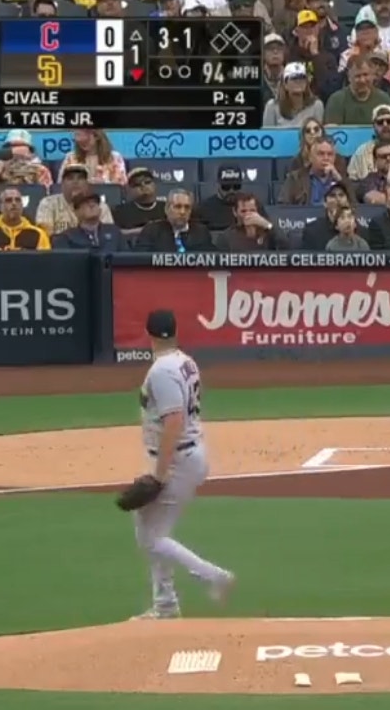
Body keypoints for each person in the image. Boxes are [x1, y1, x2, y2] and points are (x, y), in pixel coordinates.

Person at [129, 308, 236, 620]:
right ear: (175, 332)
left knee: (151, 537)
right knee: (149, 529)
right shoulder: (185, 361)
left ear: (148, 334)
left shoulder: (162, 370)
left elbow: (173, 420)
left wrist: (160, 475)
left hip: (177, 459)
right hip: (186, 454)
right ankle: (165, 604)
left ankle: (214, 576)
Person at [36, 163, 115, 235]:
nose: (75, 182)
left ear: (88, 184)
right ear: (62, 184)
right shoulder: (48, 204)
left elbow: (108, 236)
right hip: (60, 249)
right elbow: (45, 235)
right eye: (70, 178)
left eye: (80, 178)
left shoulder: (100, 206)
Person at [0, 187, 51, 251]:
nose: (14, 203)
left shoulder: (38, 234)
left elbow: (45, 263)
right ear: (0, 207)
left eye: (18, 200)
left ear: (22, 206)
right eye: (8, 200)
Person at [132, 189, 216, 252]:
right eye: (177, 207)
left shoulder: (201, 232)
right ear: (167, 209)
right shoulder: (152, 231)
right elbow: (140, 260)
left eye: (187, 207)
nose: (182, 212)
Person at [52, 191, 127, 251]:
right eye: (85, 203)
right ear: (76, 212)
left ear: (100, 209)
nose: (92, 205)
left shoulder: (115, 232)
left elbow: (127, 260)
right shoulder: (66, 237)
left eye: (95, 202)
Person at [280, 136, 345, 205]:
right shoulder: (295, 179)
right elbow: (282, 208)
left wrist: (339, 180)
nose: (326, 158)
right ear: (310, 157)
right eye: (321, 154)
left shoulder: (340, 178)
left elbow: (353, 205)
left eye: (330, 154)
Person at [262, 62, 325, 127]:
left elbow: (319, 134)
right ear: (285, 84)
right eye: (294, 78)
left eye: (302, 77)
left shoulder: (316, 105)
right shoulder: (272, 107)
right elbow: (267, 134)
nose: (298, 81)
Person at [216, 192, 283, 251]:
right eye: (243, 211)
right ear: (235, 212)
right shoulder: (226, 238)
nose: (248, 215)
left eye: (252, 210)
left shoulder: (268, 233)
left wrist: (267, 225)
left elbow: (286, 248)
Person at [60, 128, 128, 185]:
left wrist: (105, 184)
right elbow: (61, 185)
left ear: (97, 136)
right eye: (79, 140)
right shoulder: (70, 158)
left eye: (87, 140)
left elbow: (121, 185)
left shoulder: (114, 158)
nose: (83, 143)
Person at [113, 168, 168, 233]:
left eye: (147, 182)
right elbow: (116, 234)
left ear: (154, 185)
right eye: (137, 184)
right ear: (129, 190)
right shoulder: (120, 211)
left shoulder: (166, 207)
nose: (143, 186)